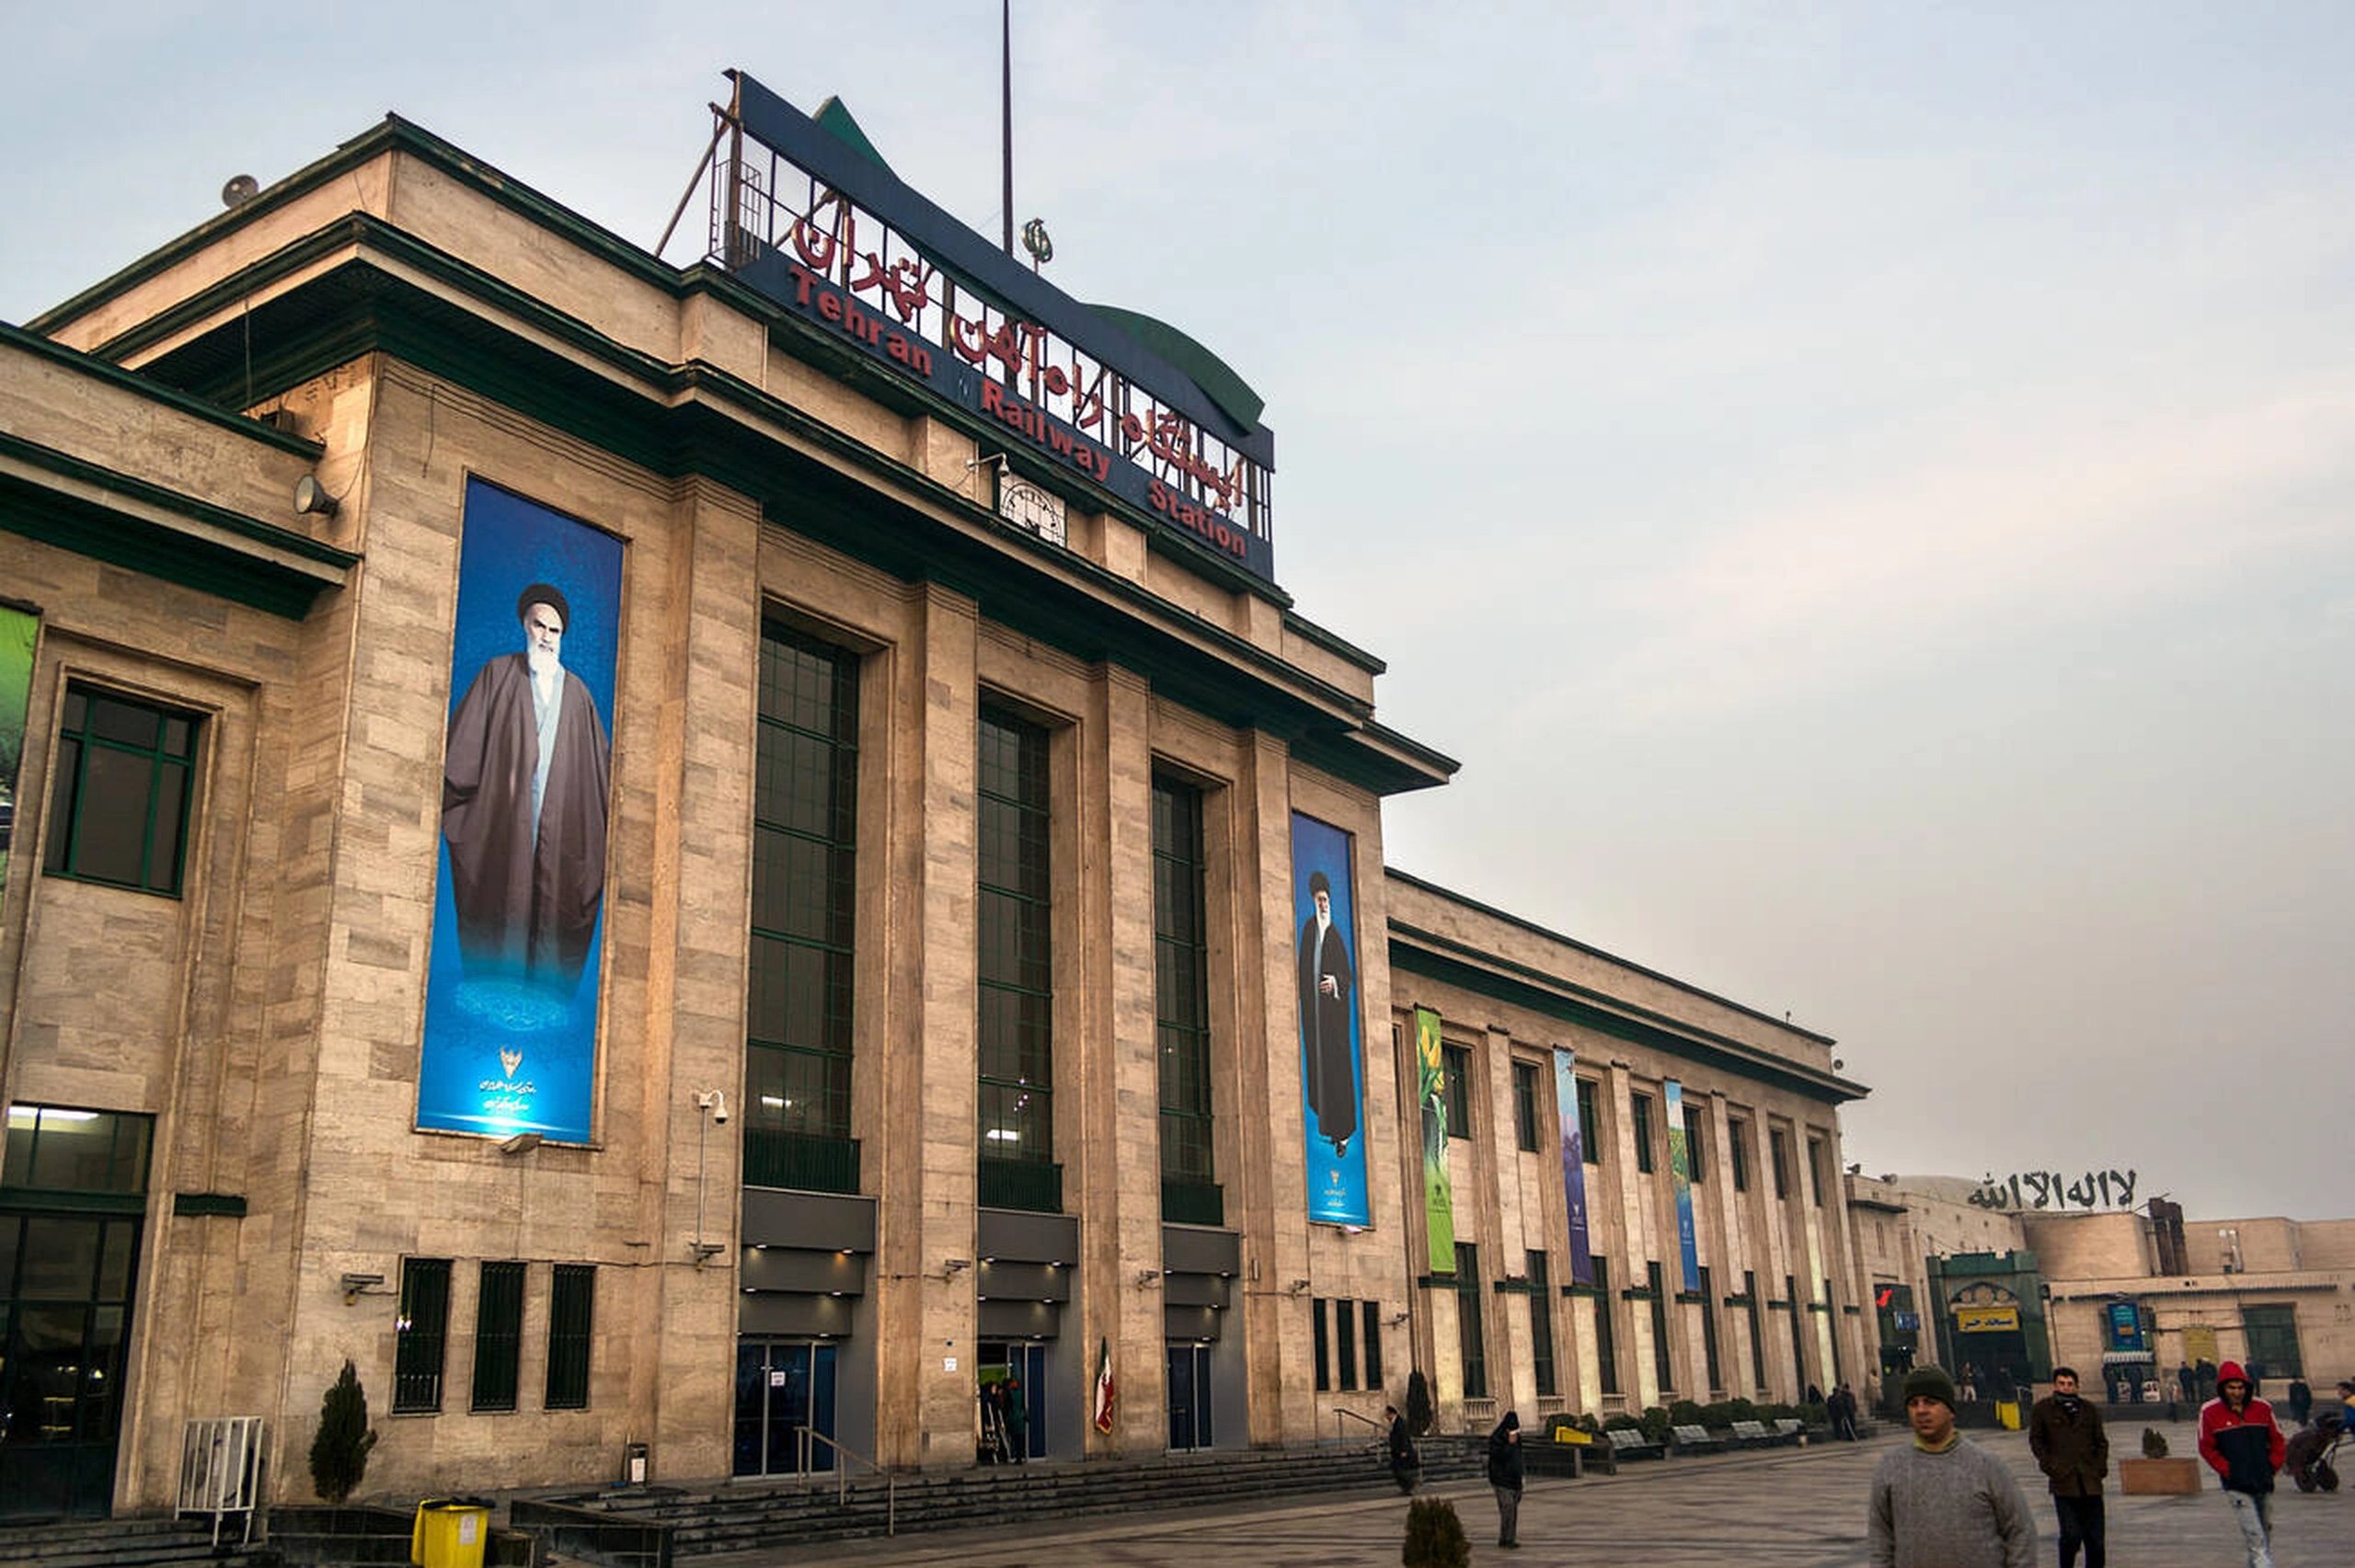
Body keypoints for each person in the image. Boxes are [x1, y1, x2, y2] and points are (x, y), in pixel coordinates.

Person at [442, 583, 612, 992]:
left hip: (559, 844)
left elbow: (601, 789)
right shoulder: (496, 675)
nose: (545, 637)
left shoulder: (579, 697)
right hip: (506, 835)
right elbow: (458, 762)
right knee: (505, 910)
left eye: (554, 631)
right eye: (539, 626)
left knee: (553, 923)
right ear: (525, 624)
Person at [1868, 1365, 2037, 1568]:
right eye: (1914, 1403)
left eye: (1930, 1402)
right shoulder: (1890, 1468)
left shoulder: (1987, 1466)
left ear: (1951, 1410)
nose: (1921, 1410)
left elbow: (2020, 1531)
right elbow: (1880, 1541)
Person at [2197, 1360, 2286, 1568]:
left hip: (2263, 1479)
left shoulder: (2262, 1408)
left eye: (2240, 1387)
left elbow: (2277, 1440)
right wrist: (2228, 1470)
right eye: (2231, 1388)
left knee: (2265, 1531)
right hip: (2236, 1484)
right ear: (2222, 1389)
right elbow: (2206, 1447)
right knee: (2254, 1534)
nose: (2236, 1392)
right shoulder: (2210, 1411)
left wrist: (2272, 1466)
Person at [1296, 869, 1358, 1156]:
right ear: (1313, 900)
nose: (1323, 904)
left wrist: (1334, 983)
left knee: (1337, 1073)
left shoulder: (1335, 936)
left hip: (1334, 1023)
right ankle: (1325, 1124)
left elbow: (1348, 976)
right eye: (1320, 899)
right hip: (1315, 1021)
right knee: (1319, 1072)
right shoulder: (1310, 930)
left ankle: (1343, 1133)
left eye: (1326, 900)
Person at [2029, 1366, 2109, 1568]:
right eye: (2062, 1384)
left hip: (2090, 1482)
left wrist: (2099, 1467)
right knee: (2071, 1535)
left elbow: (2101, 1441)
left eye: (2070, 1384)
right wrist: (2050, 1466)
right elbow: (2037, 1441)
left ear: (2077, 1386)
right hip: (2064, 1482)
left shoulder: (2089, 1409)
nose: (2066, 1388)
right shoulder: (2043, 1409)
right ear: (2055, 1385)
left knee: (2096, 1541)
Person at [1486, 1410, 1524, 1550]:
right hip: (1501, 1480)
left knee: (1513, 1511)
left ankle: (1509, 1538)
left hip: (1514, 1480)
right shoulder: (1497, 1438)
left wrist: (1521, 1478)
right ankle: (1506, 1539)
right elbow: (1498, 1457)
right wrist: (1510, 1444)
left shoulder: (1517, 1438)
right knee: (1507, 1509)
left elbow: (1518, 1459)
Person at [1384, 1402, 1419, 1494]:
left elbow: (1404, 1437)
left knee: (1398, 1470)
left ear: (1392, 1413)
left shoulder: (1400, 1422)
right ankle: (1407, 1488)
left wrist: (1404, 1450)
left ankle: (1410, 1484)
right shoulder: (1395, 1423)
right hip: (1397, 1451)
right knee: (1397, 1469)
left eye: (1387, 1414)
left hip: (1401, 1451)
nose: (1386, 1416)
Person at [1002, 1373, 1028, 1462]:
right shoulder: (1021, 1393)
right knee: (1020, 1439)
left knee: (1014, 1439)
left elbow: (1006, 1407)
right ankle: (1020, 1456)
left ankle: (1015, 1457)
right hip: (1019, 1418)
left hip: (1013, 1418)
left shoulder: (1009, 1393)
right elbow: (1024, 1406)